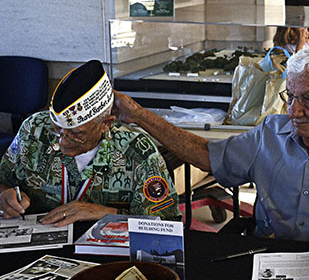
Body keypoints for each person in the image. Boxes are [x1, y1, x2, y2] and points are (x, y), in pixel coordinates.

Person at [114, 47, 309, 240]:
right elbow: (207, 156)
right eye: (289, 96)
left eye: (307, 98)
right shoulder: (270, 133)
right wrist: (138, 114)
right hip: (268, 253)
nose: (293, 111)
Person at [0, 60, 180, 224]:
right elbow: (2, 181)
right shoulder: (34, 128)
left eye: (76, 133)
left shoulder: (138, 151)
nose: (62, 141)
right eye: (56, 129)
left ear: (106, 124)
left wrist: (107, 213)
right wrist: (4, 195)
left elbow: (167, 224)